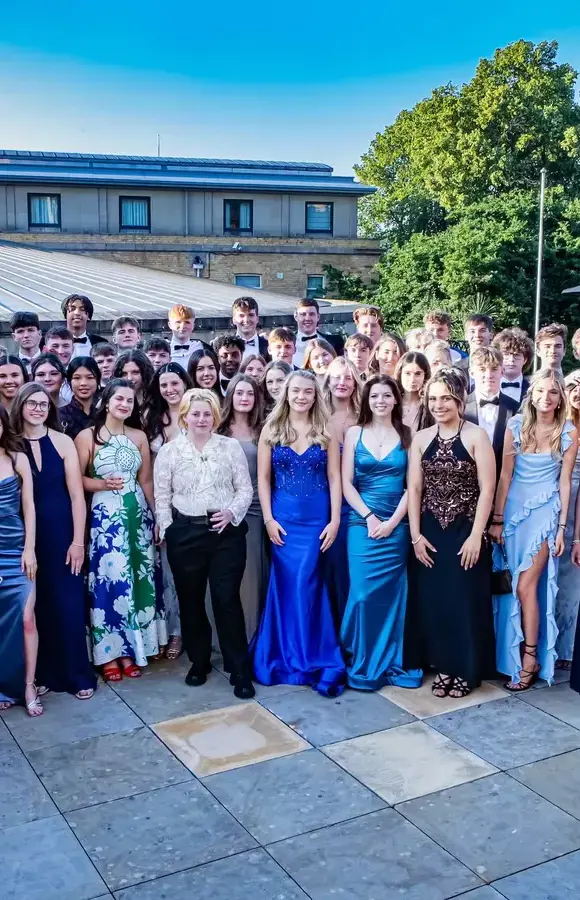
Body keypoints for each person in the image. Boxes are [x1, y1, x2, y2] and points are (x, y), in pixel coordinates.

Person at [154, 388, 255, 699]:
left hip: (225, 533)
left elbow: (245, 490)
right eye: (195, 413)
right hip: (185, 533)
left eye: (207, 414)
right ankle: (199, 662)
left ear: (216, 417)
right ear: (184, 416)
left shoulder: (230, 447)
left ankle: (239, 669)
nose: (201, 419)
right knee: (191, 600)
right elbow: (162, 496)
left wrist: (232, 513)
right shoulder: (170, 451)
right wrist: (169, 529)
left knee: (226, 599)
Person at [252, 370, 345, 696]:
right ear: (286, 394)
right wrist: (268, 519)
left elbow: (335, 477)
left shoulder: (326, 430)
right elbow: (263, 478)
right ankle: (285, 655)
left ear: (315, 395)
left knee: (310, 584)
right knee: (288, 585)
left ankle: (313, 655)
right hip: (284, 521)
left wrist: (334, 520)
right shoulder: (272, 429)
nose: (302, 396)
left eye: (308, 391)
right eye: (296, 391)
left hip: (318, 519)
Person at [407, 368, 496, 698]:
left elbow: (487, 489)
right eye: (433, 398)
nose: (439, 404)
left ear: (459, 399)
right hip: (430, 533)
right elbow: (415, 488)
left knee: (464, 602)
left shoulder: (476, 436)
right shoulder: (420, 439)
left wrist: (476, 535)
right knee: (436, 604)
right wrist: (415, 536)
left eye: (445, 397)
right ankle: (443, 667)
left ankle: (466, 670)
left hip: (465, 532)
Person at [490, 370, 577, 690]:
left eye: (553, 392)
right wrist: (497, 519)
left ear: (560, 398)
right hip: (513, 514)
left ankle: (529, 658)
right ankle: (508, 658)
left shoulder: (568, 432)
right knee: (511, 587)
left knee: (527, 586)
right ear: (532, 394)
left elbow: (565, 482)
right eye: (541, 391)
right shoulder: (515, 426)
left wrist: (561, 528)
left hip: (545, 514)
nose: (546, 397)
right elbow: (504, 477)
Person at [76, 379, 166, 681]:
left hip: (136, 515)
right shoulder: (88, 436)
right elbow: (76, 481)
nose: (125, 404)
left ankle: (133, 650)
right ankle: (110, 654)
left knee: (139, 581)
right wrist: (100, 484)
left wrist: (156, 518)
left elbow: (147, 481)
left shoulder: (139, 436)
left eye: (130, 400)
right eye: (119, 399)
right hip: (105, 518)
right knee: (110, 583)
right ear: (106, 401)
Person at [12, 384, 96, 700]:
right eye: (31, 403)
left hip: (62, 533)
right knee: (37, 607)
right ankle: (42, 674)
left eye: (43, 404)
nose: (37, 409)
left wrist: (77, 541)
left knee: (69, 604)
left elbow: (77, 495)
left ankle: (78, 674)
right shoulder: (10, 445)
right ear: (20, 406)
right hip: (25, 536)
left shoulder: (62, 442)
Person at [341, 375, 422, 690]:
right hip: (361, 525)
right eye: (375, 396)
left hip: (396, 526)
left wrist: (391, 523)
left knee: (392, 597)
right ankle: (362, 656)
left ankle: (389, 658)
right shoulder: (353, 434)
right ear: (367, 400)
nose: (380, 401)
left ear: (395, 400)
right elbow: (347, 483)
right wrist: (370, 517)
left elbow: (412, 486)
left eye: (387, 395)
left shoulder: (407, 435)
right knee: (362, 595)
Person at [143, 363, 193, 660]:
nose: (170, 390)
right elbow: (147, 476)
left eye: (175, 383)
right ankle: (175, 632)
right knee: (171, 574)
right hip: (165, 507)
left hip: (198, 505)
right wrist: (159, 516)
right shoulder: (152, 420)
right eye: (164, 385)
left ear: (184, 384)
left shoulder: (200, 414)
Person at [218, 374, 268, 641]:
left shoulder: (264, 430)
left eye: (250, 394)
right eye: (239, 393)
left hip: (257, 509)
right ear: (231, 397)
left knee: (252, 576)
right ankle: (225, 637)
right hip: (224, 510)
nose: (245, 398)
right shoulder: (218, 429)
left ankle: (251, 638)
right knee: (226, 577)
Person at [0, 404, 40, 716]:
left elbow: (29, 509)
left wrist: (29, 549)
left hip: (18, 551)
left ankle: (28, 685)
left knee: (27, 619)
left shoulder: (18, 459)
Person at [321, 357, 361, 622]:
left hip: (360, 502)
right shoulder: (318, 416)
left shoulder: (365, 414)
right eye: (336, 377)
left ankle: (355, 636)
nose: (342, 383)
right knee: (329, 570)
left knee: (354, 571)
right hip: (325, 502)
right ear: (327, 380)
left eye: (348, 377)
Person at [464, 347, 520, 480]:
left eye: (494, 369)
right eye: (482, 369)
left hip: (502, 482)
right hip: (466, 483)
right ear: (472, 373)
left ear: (502, 371)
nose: (488, 375)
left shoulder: (515, 408)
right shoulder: (460, 407)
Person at [555, 371, 580, 669]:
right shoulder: (558, 425)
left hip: (579, 504)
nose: (577, 392)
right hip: (556, 501)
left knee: (574, 581)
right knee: (555, 580)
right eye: (572, 386)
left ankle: (569, 648)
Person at [293, 298, 344, 367]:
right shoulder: (287, 343)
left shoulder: (335, 342)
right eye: (303, 314)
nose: (307, 318)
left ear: (318, 317)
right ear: (296, 316)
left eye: (312, 314)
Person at [60, 356, 101, 439]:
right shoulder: (59, 415)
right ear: (69, 382)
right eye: (77, 378)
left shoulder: (102, 416)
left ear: (98, 381)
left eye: (89, 377)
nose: (83, 383)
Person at [492, 327, 533, 408]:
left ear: (525, 359)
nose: (511, 360)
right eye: (506, 354)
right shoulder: (488, 386)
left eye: (517, 355)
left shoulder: (533, 389)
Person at [61, 294, 107, 358]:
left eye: (82, 309)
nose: (77, 313)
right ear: (65, 315)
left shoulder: (101, 343)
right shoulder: (51, 342)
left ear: (88, 316)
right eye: (72, 309)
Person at [395, 351, 431, 433]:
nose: (412, 379)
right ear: (400, 374)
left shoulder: (429, 405)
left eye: (418, 374)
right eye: (407, 373)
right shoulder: (392, 402)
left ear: (425, 375)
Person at [167, 305, 207, 370]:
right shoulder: (162, 350)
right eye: (178, 322)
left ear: (193, 326)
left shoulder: (202, 348)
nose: (183, 326)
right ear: (170, 325)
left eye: (187, 322)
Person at [44, 327, 74, 403]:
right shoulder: (37, 377)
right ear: (45, 349)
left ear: (73, 349)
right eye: (55, 346)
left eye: (66, 346)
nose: (60, 351)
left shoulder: (77, 378)